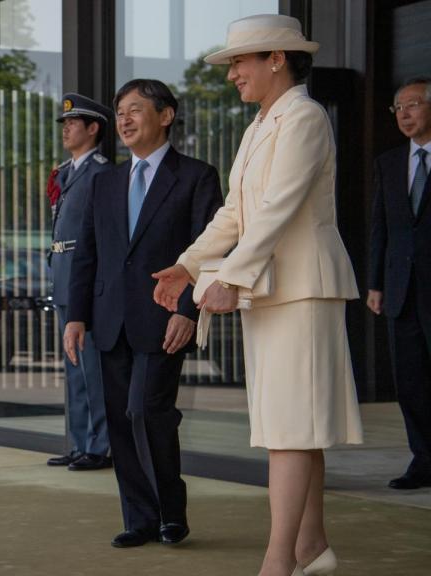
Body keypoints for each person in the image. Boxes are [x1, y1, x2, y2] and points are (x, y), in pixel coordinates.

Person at [152, 15, 363, 576]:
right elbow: (235, 214)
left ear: (277, 58)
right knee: (293, 426)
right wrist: (187, 265)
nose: (231, 75)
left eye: (240, 62)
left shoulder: (306, 117)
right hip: (272, 292)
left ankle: (279, 561)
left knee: (291, 428)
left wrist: (228, 278)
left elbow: (278, 211)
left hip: (302, 290)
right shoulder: (259, 126)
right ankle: (310, 548)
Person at [64, 79, 222, 549]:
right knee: (119, 418)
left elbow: (208, 251)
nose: (125, 119)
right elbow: (86, 254)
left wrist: (190, 309)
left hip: (165, 318)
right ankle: (138, 518)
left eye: (135, 109)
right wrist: (77, 316)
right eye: (120, 112)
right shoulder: (104, 181)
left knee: (147, 412)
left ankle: (171, 513)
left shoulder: (197, 176)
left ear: (166, 115)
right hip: (110, 320)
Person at [369, 76, 431, 491]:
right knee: (410, 382)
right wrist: (374, 283)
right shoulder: (389, 163)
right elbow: (380, 228)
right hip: (401, 289)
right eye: (398, 108)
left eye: (412, 105)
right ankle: (423, 461)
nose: (404, 114)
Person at [46, 93, 112, 472]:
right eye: (65, 124)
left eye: (73, 123)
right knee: (73, 369)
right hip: (65, 278)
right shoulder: (68, 171)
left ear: (93, 129)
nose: (66, 128)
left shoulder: (100, 172)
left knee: (92, 369)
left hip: (86, 284)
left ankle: (99, 446)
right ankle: (79, 442)